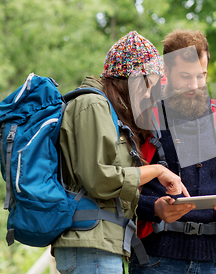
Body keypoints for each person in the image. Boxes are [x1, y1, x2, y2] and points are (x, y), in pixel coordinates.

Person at [52, 31, 188, 274]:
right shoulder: (92, 105)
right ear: (127, 79)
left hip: (102, 244)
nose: (148, 94)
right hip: (91, 245)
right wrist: (156, 170)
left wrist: (155, 206)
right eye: (147, 84)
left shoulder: (108, 112)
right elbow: (99, 179)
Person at [129, 29, 216, 274]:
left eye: (202, 75)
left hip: (213, 260)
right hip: (156, 258)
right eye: (185, 76)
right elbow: (121, 185)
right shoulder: (144, 120)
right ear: (166, 73)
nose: (195, 85)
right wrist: (154, 207)